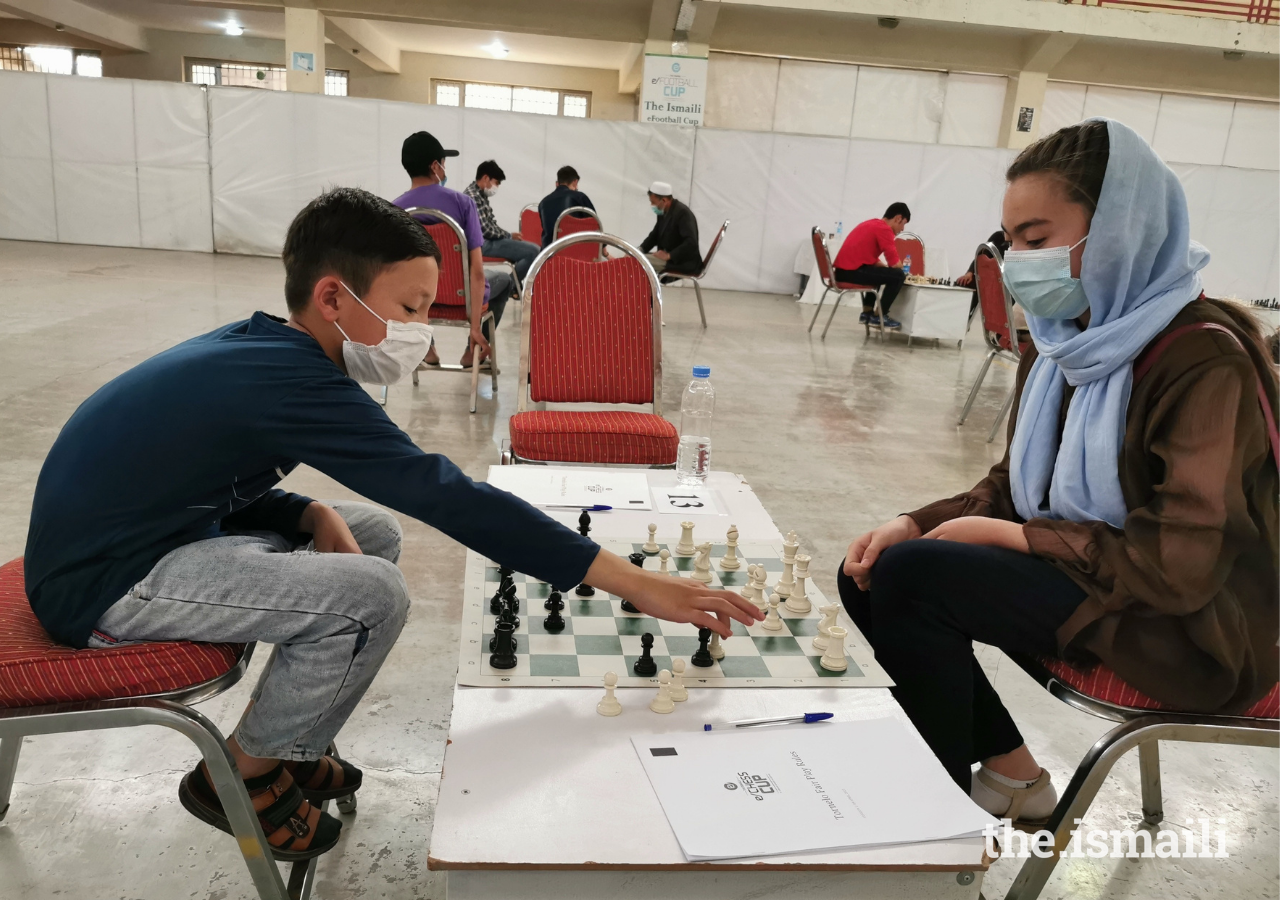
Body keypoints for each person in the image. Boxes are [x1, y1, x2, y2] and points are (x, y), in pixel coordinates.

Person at [23, 187, 763, 860]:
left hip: (154, 535)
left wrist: (309, 510)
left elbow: (195, 482)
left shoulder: (264, 351)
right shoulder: (295, 381)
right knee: (372, 594)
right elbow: (445, 494)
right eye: (410, 310)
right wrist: (633, 583)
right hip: (105, 585)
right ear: (334, 297)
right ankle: (238, 776)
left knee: (365, 535)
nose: (421, 330)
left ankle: (293, 745)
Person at [836, 120, 1277, 827]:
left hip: (1185, 624)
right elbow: (1013, 486)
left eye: (1037, 240)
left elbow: (1181, 564)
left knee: (914, 580)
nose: (1016, 261)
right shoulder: (1065, 343)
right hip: (1103, 581)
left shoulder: (1201, 358)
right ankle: (1012, 776)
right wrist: (915, 521)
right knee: (872, 564)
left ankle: (930, 826)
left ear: (1119, 232)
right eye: (1010, 241)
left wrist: (1010, 540)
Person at [392, 131, 513, 369]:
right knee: (505, 281)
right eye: (444, 163)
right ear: (435, 166)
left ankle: (426, 346)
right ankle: (473, 349)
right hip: (463, 299)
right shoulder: (462, 203)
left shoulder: (396, 209)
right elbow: (477, 273)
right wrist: (475, 327)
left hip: (418, 300)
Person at [832, 202, 911, 330]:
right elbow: (894, 264)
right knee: (898, 276)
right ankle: (880, 316)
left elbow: (871, 259)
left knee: (880, 272)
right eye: (903, 223)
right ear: (898, 218)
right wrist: (905, 271)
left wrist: (885, 269)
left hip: (842, 271)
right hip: (850, 272)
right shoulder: (885, 230)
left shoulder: (872, 223)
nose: (902, 229)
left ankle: (867, 314)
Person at [463, 159, 539, 281]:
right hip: (482, 245)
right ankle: (510, 286)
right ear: (486, 178)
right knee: (533, 251)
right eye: (496, 183)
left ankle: (510, 286)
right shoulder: (473, 197)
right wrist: (508, 236)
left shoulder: (480, 195)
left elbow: (491, 224)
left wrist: (509, 236)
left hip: (485, 242)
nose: (496, 187)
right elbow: (486, 230)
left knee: (529, 250)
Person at [639, 181, 700, 278]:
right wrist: (638, 250)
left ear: (663, 200)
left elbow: (691, 243)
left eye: (653, 202)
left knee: (637, 262)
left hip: (682, 262)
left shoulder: (683, 213)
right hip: (669, 259)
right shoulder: (663, 212)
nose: (652, 205)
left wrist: (669, 255)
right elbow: (654, 236)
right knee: (636, 258)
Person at [538, 165, 595, 248]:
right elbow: (595, 227)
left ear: (557, 184)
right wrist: (605, 252)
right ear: (575, 182)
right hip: (574, 254)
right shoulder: (579, 197)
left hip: (548, 254)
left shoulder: (543, 203)